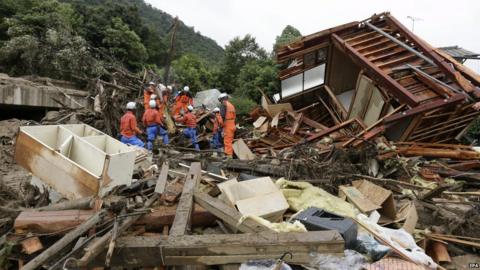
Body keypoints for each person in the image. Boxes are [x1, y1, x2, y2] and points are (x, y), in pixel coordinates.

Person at [218, 93, 236, 158]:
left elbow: (222, 116)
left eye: (220, 101)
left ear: (222, 99)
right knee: (230, 141)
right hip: (233, 124)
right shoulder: (231, 105)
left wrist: (220, 126)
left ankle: (229, 157)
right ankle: (229, 155)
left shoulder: (224, 104)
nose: (220, 102)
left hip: (227, 125)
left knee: (227, 142)